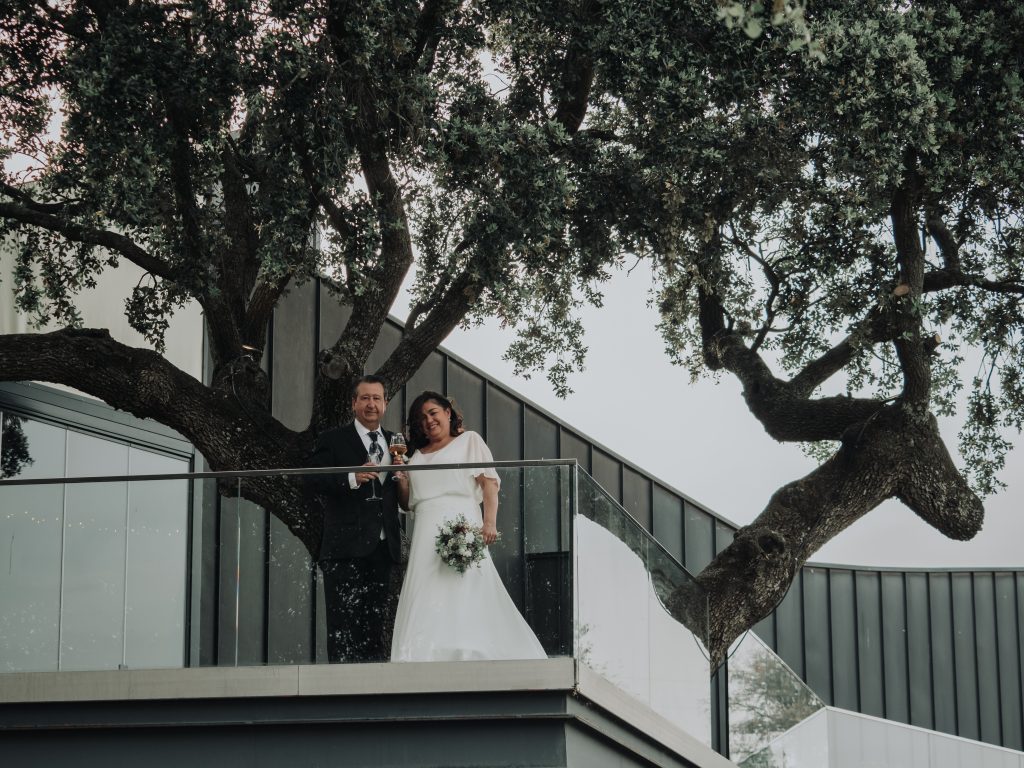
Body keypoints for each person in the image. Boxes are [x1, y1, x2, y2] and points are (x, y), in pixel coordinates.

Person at [390, 391, 546, 662]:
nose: (428, 421)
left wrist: (488, 523)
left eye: (433, 413)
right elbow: (406, 502)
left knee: (465, 586)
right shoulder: (414, 456)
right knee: (426, 591)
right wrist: (401, 476)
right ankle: (422, 656)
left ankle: (469, 653)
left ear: (448, 413)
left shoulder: (469, 441)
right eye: (421, 417)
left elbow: (489, 484)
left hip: (460, 521)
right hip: (426, 527)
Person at [310, 374, 402, 663]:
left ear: (385, 404)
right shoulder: (332, 440)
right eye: (365, 398)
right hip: (343, 548)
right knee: (342, 626)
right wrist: (352, 477)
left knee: (375, 626)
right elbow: (312, 480)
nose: (371, 404)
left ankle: (371, 693)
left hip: (384, 548)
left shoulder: (395, 442)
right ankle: (339, 696)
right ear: (353, 403)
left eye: (377, 398)